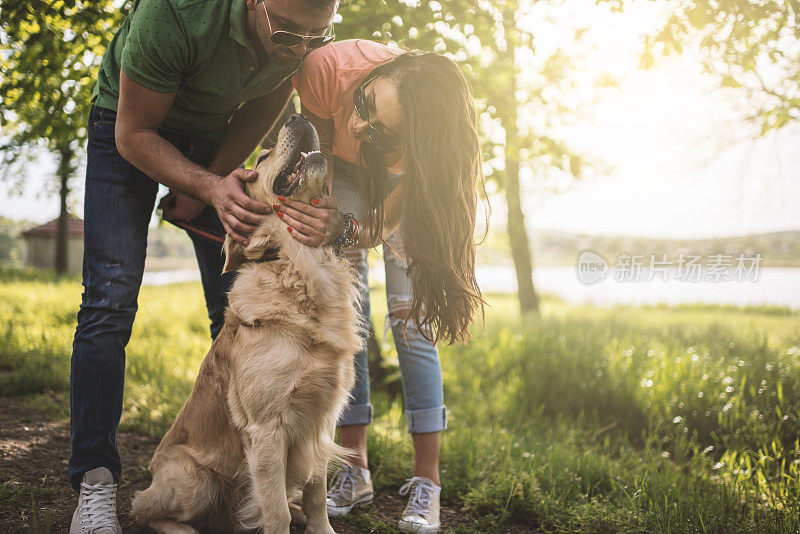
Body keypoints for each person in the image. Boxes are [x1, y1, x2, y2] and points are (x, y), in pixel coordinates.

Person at [68, 0, 338, 531]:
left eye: (316, 34)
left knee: (239, 308)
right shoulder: (173, 13)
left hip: (218, 136)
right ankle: (94, 483)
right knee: (110, 298)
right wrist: (209, 186)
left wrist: (214, 177)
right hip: (131, 127)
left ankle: (250, 483)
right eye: (287, 32)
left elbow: (268, 101)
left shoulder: (302, 33)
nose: (301, 48)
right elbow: (132, 134)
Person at [280, 38, 485, 533]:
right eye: (364, 106)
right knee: (349, 322)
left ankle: (427, 483)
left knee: (410, 323)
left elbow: (378, 230)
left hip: (399, 187)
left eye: (378, 132)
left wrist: (346, 229)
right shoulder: (326, 69)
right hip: (345, 173)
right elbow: (323, 150)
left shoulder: (426, 153)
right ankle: (355, 471)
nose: (357, 126)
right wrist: (326, 213)